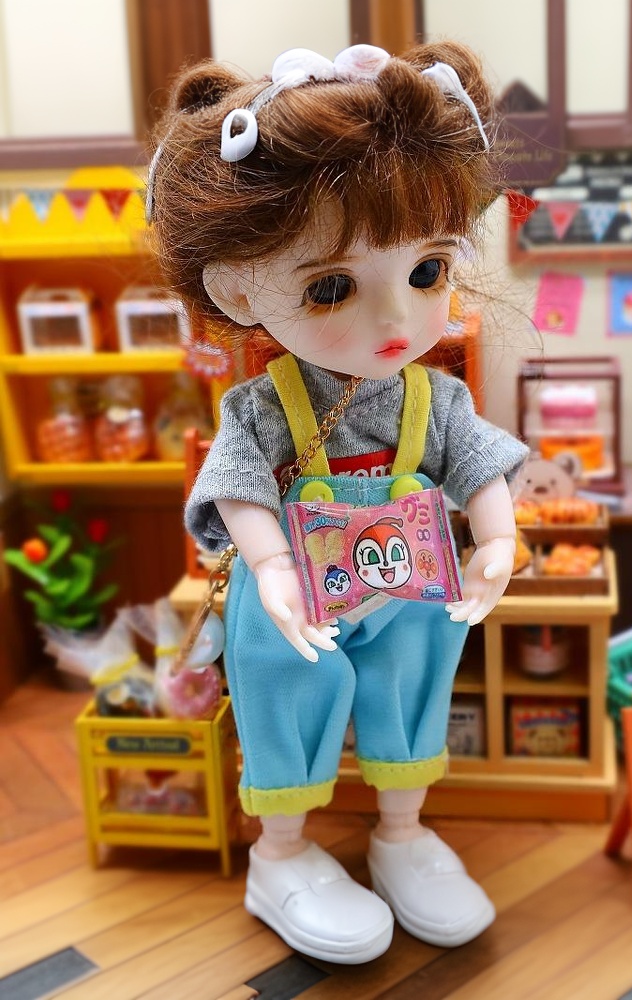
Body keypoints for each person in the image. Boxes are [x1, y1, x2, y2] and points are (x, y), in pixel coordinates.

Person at [148, 40, 528, 965]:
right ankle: (280, 854)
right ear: (238, 287)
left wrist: (497, 538)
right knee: (288, 697)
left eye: (427, 272)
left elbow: (477, 467)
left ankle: (402, 833)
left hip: (411, 586)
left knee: (411, 689)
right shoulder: (263, 405)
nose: (395, 322)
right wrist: (272, 565)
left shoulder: (438, 399)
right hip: (297, 601)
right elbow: (238, 481)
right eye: (331, 287)